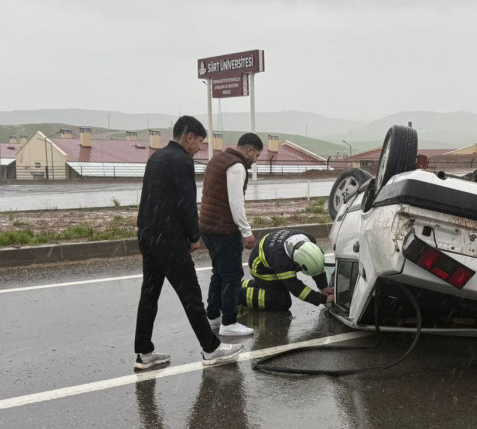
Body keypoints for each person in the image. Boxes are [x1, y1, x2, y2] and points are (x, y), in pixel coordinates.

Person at [134, 115, 243, 370]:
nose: (199, 148)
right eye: (199, 142)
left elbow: (148, 198)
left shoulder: (156, 157)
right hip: (170, 240)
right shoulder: (182, 161)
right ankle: (211, 348)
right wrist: (194, 237)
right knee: (191, 295)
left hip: (148, 235)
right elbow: (186, 203)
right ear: (189, 137)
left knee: (149, 294)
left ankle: (144, 352)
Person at [200, 132, 263, 338]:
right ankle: (229, 321)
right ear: (249, 150)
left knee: (219, 273)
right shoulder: (237, 166)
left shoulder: (217, 159)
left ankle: (213, 316)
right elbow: (236, 202)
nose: (256, 160)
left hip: (208, 226)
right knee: (232, 276)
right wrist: (247, 232)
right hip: (224, 229)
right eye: (257, 155)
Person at [240, 228, 333, 312]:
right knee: (281, 302)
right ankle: (236, 295)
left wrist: (323, 286)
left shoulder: (309, 240)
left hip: (270, 255)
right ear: (296, 264)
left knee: (274, 288)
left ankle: (244, 284)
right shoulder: (282, 261)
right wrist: (322, 299)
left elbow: (316, 265)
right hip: (260, 268)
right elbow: (296, 288)